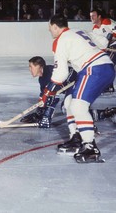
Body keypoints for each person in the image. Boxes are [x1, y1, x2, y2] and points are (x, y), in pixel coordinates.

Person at [42, 14, 114, 163]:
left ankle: (90, 147)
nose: (50, 32)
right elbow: (102, 42)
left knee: (78, 106)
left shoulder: (59, 41)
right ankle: (76, 137)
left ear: (55, 27)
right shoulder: (79, 31)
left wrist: (49, 90)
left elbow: (61, 73)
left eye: (50, 29)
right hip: (103, 66)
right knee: (69, 102)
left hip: (94, 69)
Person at [20, 56, 76, 128]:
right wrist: (38, 114)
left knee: (66, 106)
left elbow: (53, 97)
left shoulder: (51, 73)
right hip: (68, 88)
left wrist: (46, 117)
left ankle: (90, 113)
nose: (29, 69)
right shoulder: (42, 79)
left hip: (77, 84)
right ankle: (39, 115)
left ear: (39, 66)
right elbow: (43, 97)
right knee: (47, 97)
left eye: (31, 66)